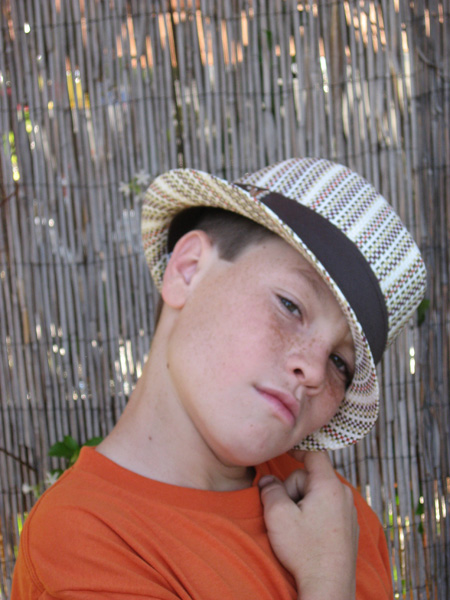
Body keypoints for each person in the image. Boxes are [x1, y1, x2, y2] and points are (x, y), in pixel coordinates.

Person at [12, 158, 426, 599]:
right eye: (290, 305)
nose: (313, 372)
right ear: (188, 269)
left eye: (340, 364)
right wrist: (326, 580)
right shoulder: (83, 540)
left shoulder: (337, 517)